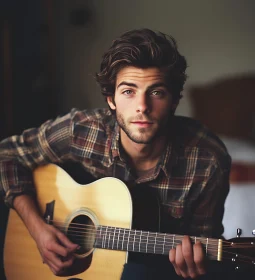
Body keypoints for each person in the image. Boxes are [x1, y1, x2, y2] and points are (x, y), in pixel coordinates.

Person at [0, 28, 231, 279]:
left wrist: (194, 268)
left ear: (174, 100)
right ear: (111, 99)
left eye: (156, 92)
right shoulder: (81, 131)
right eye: (128, 91)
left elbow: (202, 249)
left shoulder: (207, 161)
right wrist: (38, 228)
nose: (142, 107)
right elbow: (7, 154)